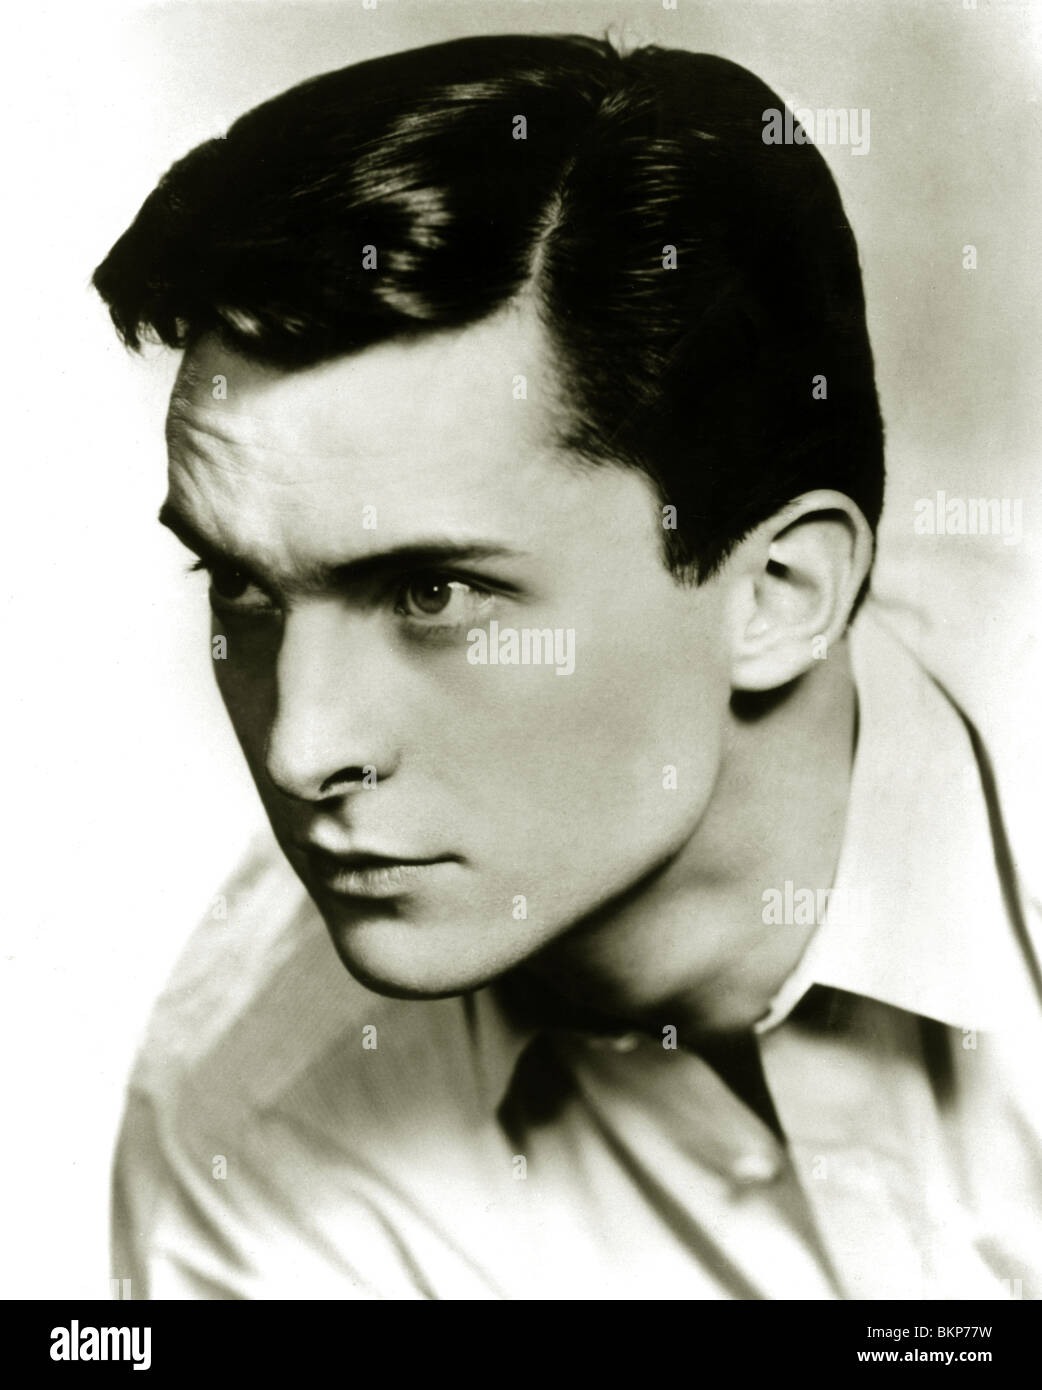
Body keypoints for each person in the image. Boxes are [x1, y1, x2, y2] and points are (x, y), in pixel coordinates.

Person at [93, 33, 1042, 1300]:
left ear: (777, 594)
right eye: (244, 586)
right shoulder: (253, 1137)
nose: (300, 748)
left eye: (432, 593)